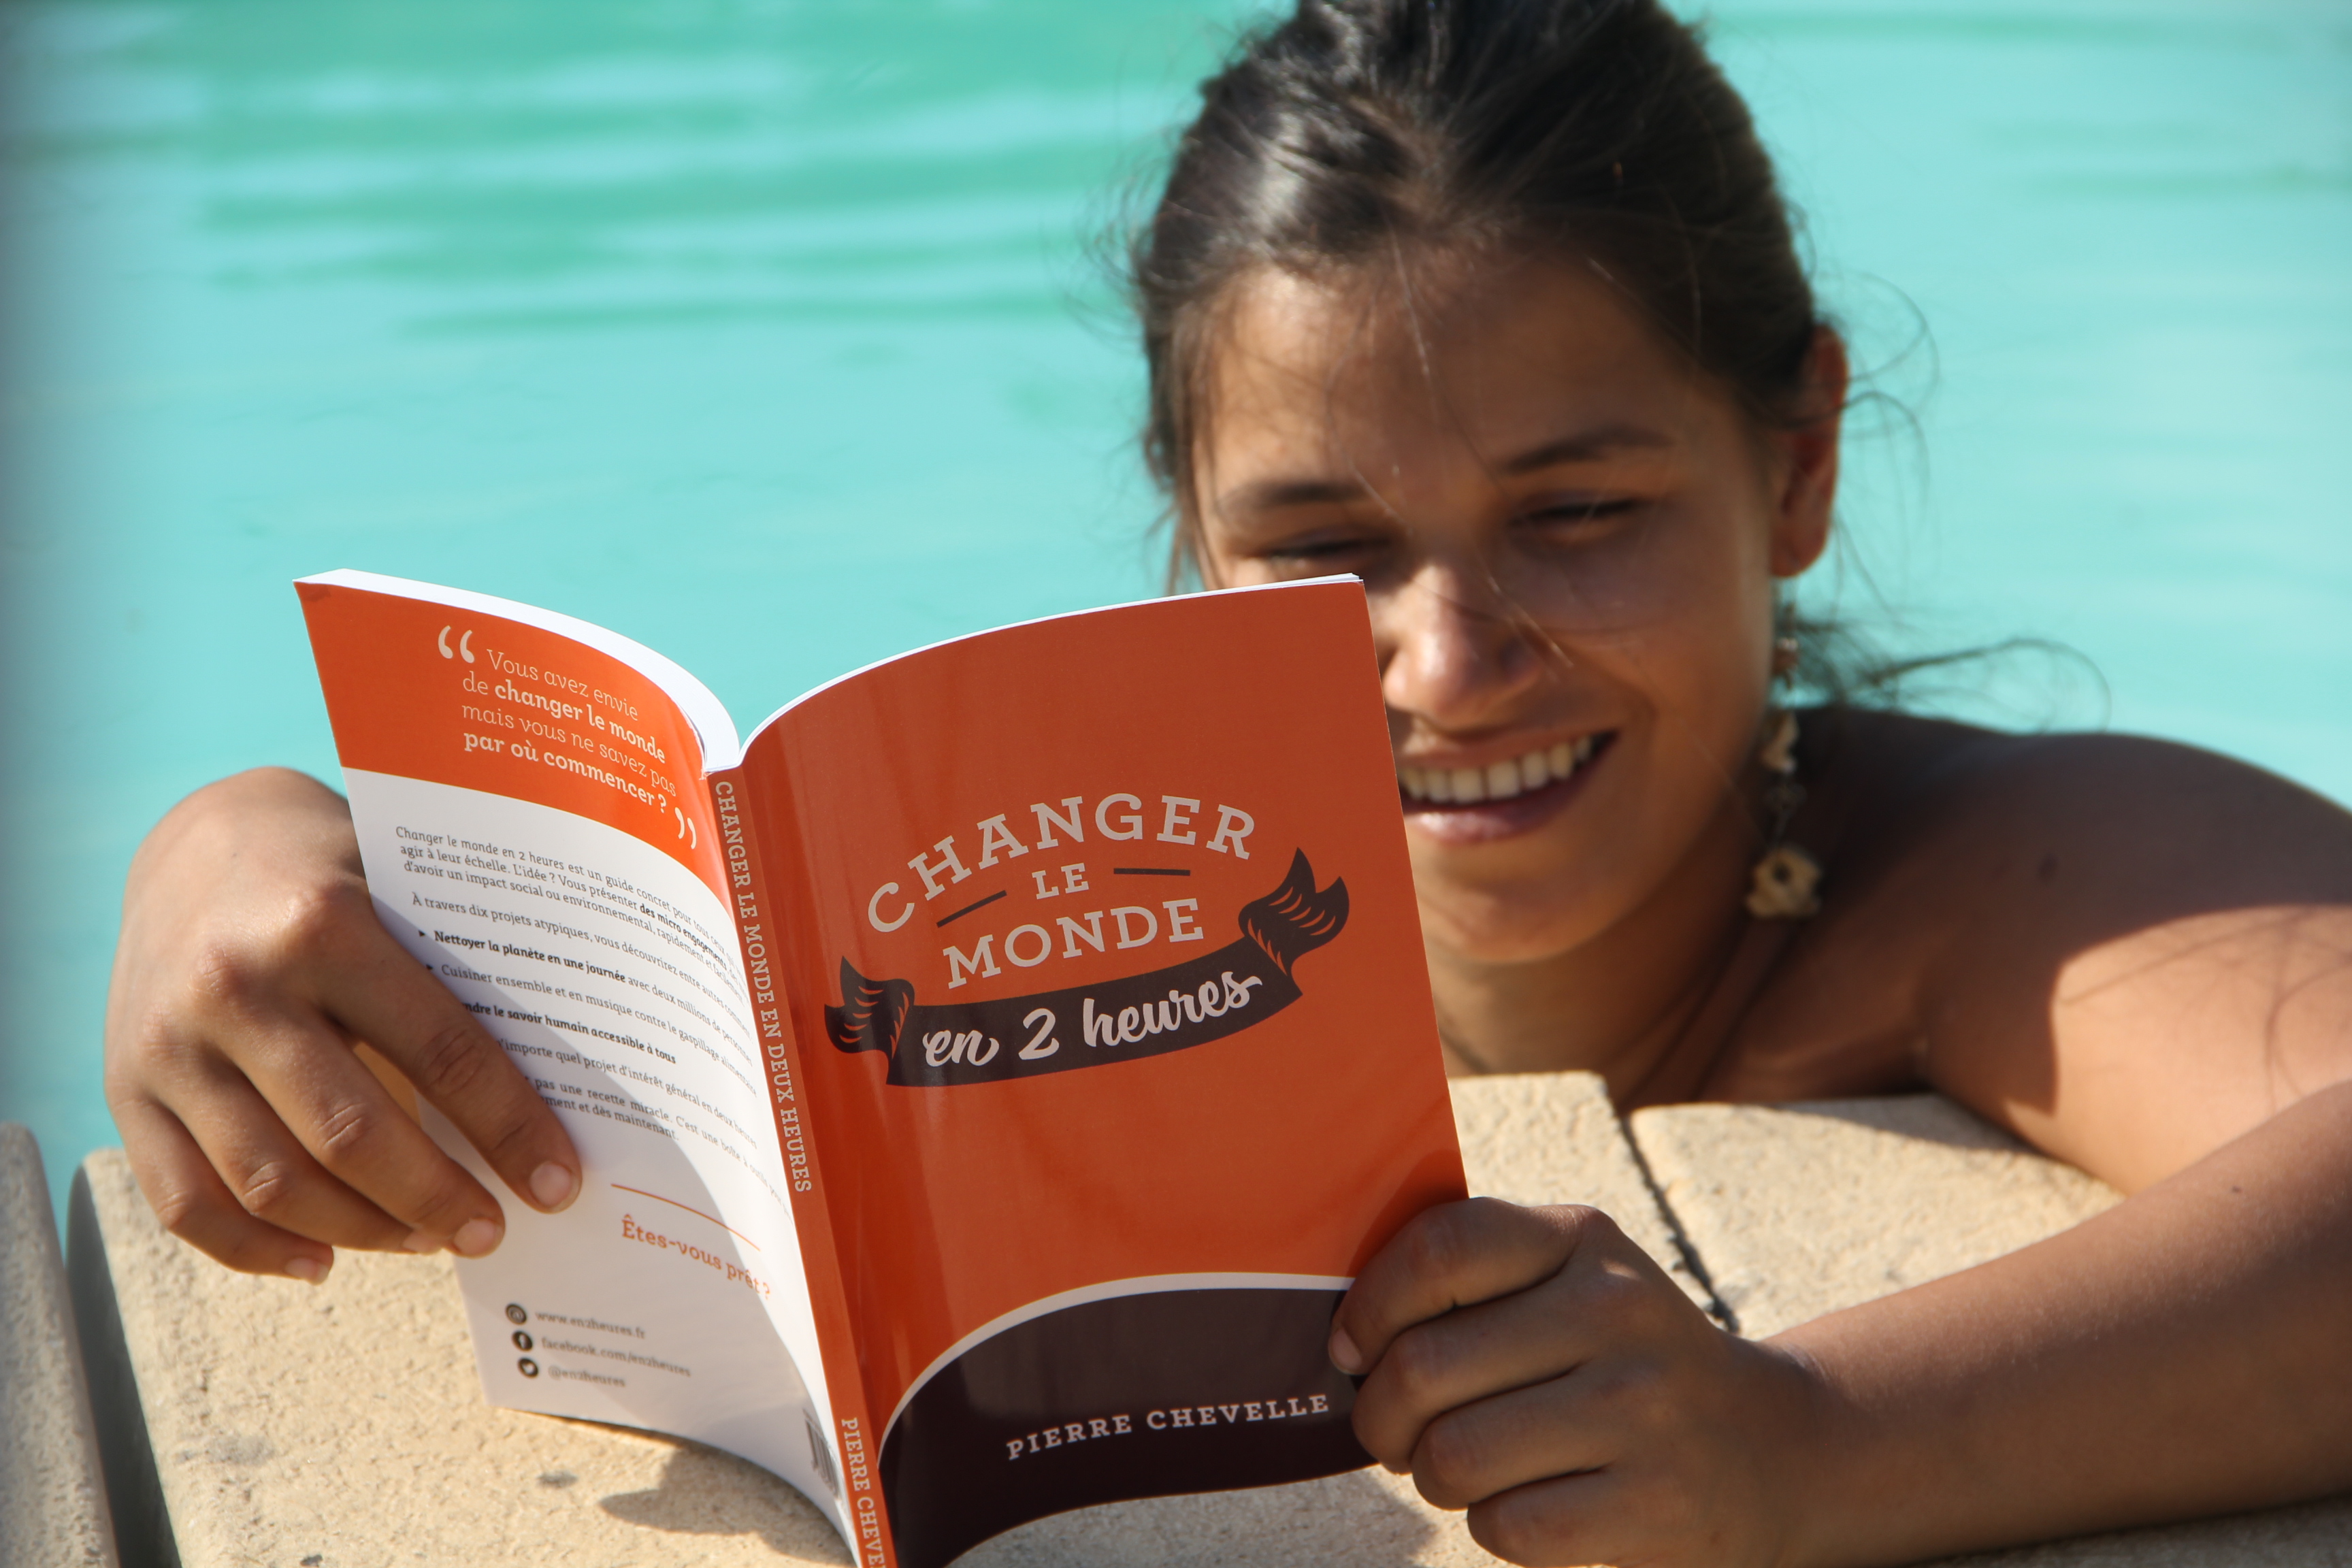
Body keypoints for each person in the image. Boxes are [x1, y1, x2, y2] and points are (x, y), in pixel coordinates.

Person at [103, 1, 2351, 1563]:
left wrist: (1807, 1452)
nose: (1449, 665)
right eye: (1324, 550)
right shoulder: (1038, 896)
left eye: (1580, 513)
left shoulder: (1980, 888)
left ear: (1798, 465)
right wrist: (229, 858)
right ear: (1191, 542)